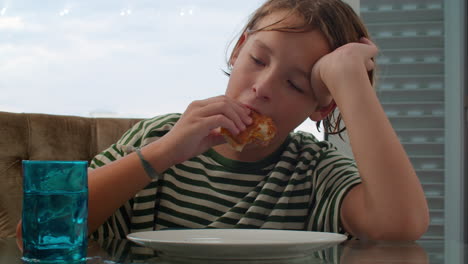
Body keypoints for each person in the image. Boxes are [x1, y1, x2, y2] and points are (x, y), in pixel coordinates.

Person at [17, 0, 430, 243]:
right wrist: (159, 155)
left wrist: (349, 83)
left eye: (295, 84)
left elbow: (401, 224)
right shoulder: (159, 138)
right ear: (237, 51)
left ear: (322, 108)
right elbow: (38, 227)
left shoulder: (314, 171)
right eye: (257, 60)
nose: (263, 88)